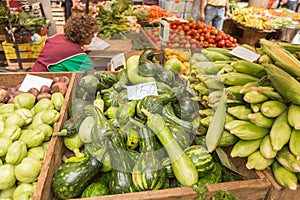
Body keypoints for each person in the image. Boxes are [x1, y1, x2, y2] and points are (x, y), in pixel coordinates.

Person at [31, 13, 99, 72]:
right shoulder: (77, 55)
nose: (93, 36)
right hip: (45, 83)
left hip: (32, 77)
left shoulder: (56, 38)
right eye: (92, 33)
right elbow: (91, 76)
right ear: (84, 35)